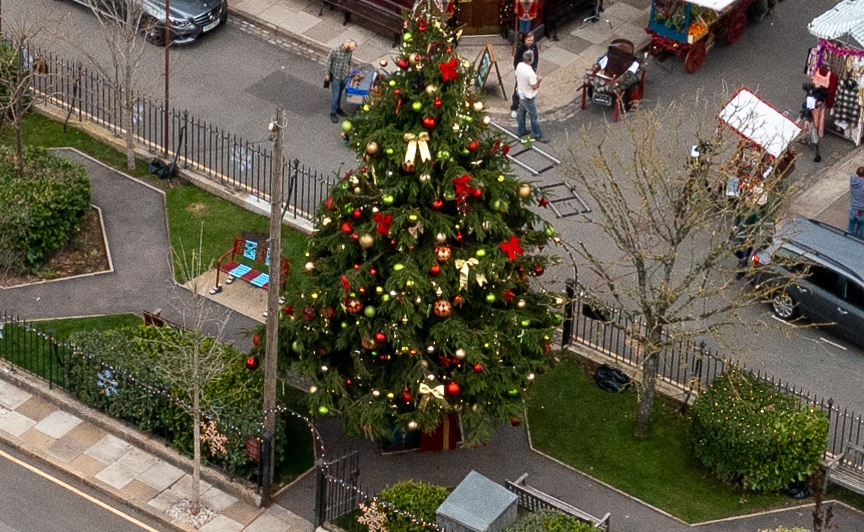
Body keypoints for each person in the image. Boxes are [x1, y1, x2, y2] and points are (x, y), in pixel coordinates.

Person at [515, 50, 547, 143]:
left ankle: (521, 130)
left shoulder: (519, 65)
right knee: (533, 116)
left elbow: (516, 76)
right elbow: (534, 86)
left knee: (521, 113)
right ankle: (537, 134)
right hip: (528, 96)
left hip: (521, 93)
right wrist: (539, 80)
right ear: (531, 59)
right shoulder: (530, 72)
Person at [324, 40, 356, 124]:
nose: (350, 52)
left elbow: (349, 60)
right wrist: (327, 74)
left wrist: (350, 67)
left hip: (344, 75)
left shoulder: (349, 51)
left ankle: (337, 108)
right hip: (336, 76)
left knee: (340, 93)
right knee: (336, 95)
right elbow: (328, 62)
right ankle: (333, 113)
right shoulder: (334, 51)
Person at [510, 32, 538, 119]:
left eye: (531, 40)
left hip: (530, 72)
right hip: (521, 73)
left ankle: (524, 106)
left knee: (528, 90)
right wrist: (517, 72)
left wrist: (534, 69)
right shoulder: (521, 48)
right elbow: (516, 61)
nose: (530, 42)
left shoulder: (534, 47)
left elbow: (536, 58)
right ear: (525, 40)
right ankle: (514, 107)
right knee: (518, 90)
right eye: (528, 40)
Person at [849, 167, 864, 238]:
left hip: (853, 207)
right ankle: (857, 239)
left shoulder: (852, 180)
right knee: (860, 225)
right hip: (861, 209)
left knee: (851, 224)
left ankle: (849, 237)